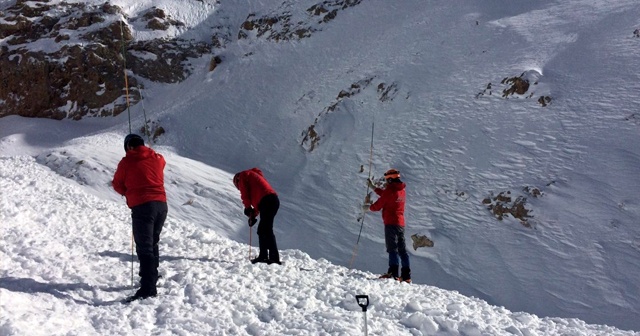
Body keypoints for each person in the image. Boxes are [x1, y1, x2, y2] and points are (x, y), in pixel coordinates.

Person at [112, 134, 168, 301]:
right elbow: (161, 162)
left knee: (144, 247)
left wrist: (129, 193)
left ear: (129, 147)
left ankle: (148, 288)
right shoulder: (157, 158)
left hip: (143, 207)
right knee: (153, 242)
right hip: (161, 206)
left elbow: (117, 184)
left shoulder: (126, 162)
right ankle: (151, 275)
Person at [364, 168, 411, 283]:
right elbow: (386, 195)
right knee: (402, 250)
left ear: (390, 180)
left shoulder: (390, 191)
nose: (385, 182)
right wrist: (374, 188)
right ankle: (406, 276)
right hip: (400, 223)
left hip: (391, 223)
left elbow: (379, 204)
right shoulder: (401, 191)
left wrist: (367, 208)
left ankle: (393, 273)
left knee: (392, 248)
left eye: (386, 180)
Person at [233, 168, 281, 265]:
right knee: (265, 229)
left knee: (264, 229)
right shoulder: (252, 177)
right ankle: (269, 257)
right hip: (272, 201)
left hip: (267, 201)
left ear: (237, 181)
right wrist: (253, 215)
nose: (239, 188)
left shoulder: (242, 176)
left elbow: (244, 195)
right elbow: (258, 202)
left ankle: (268, 257)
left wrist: (247, 208)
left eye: (238, 187)